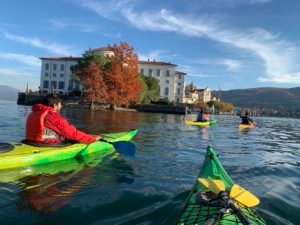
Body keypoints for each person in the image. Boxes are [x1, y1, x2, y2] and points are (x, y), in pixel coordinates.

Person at [25, 94, 102, 144]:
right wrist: (92, 139)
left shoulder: (34, 112)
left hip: (30, 141)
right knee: (71, 138)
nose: (61, 106)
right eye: (60, 104)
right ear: (55, 105)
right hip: (44, 143)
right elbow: (72, 133)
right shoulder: (53, 116)